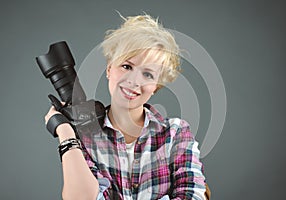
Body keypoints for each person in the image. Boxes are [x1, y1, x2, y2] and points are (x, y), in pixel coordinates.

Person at [44, 14, 210, 200]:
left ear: (156, 85)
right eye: (126, 66)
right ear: (109, 68)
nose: (134, 81)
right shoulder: (86, 136)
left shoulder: (175, 133)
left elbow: (194, 196)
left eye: (147, 74)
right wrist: (65, 131)